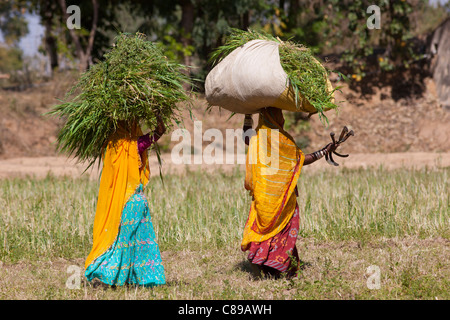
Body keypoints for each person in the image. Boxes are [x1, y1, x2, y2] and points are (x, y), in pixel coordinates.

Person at [241, 107, 338, 279]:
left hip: (263, 199)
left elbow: (245, 137)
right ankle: (281, 267)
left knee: (263, 230)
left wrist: (248, 114)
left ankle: (261, 263)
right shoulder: (282, 140)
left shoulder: (256, 139)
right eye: (280, 116)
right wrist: (324, 151)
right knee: (284, 230)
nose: (283, 119)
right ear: (278, 118)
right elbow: (300, 160)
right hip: (283, 199)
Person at [84, 115, 166, 287]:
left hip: (118, 204)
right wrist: (158, 115)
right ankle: (141, 277)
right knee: (136, 243)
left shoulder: (109, 146)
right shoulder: (133, 144)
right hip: (135, 201)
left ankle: (113, 275)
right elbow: (159, 132)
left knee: (121, 242)